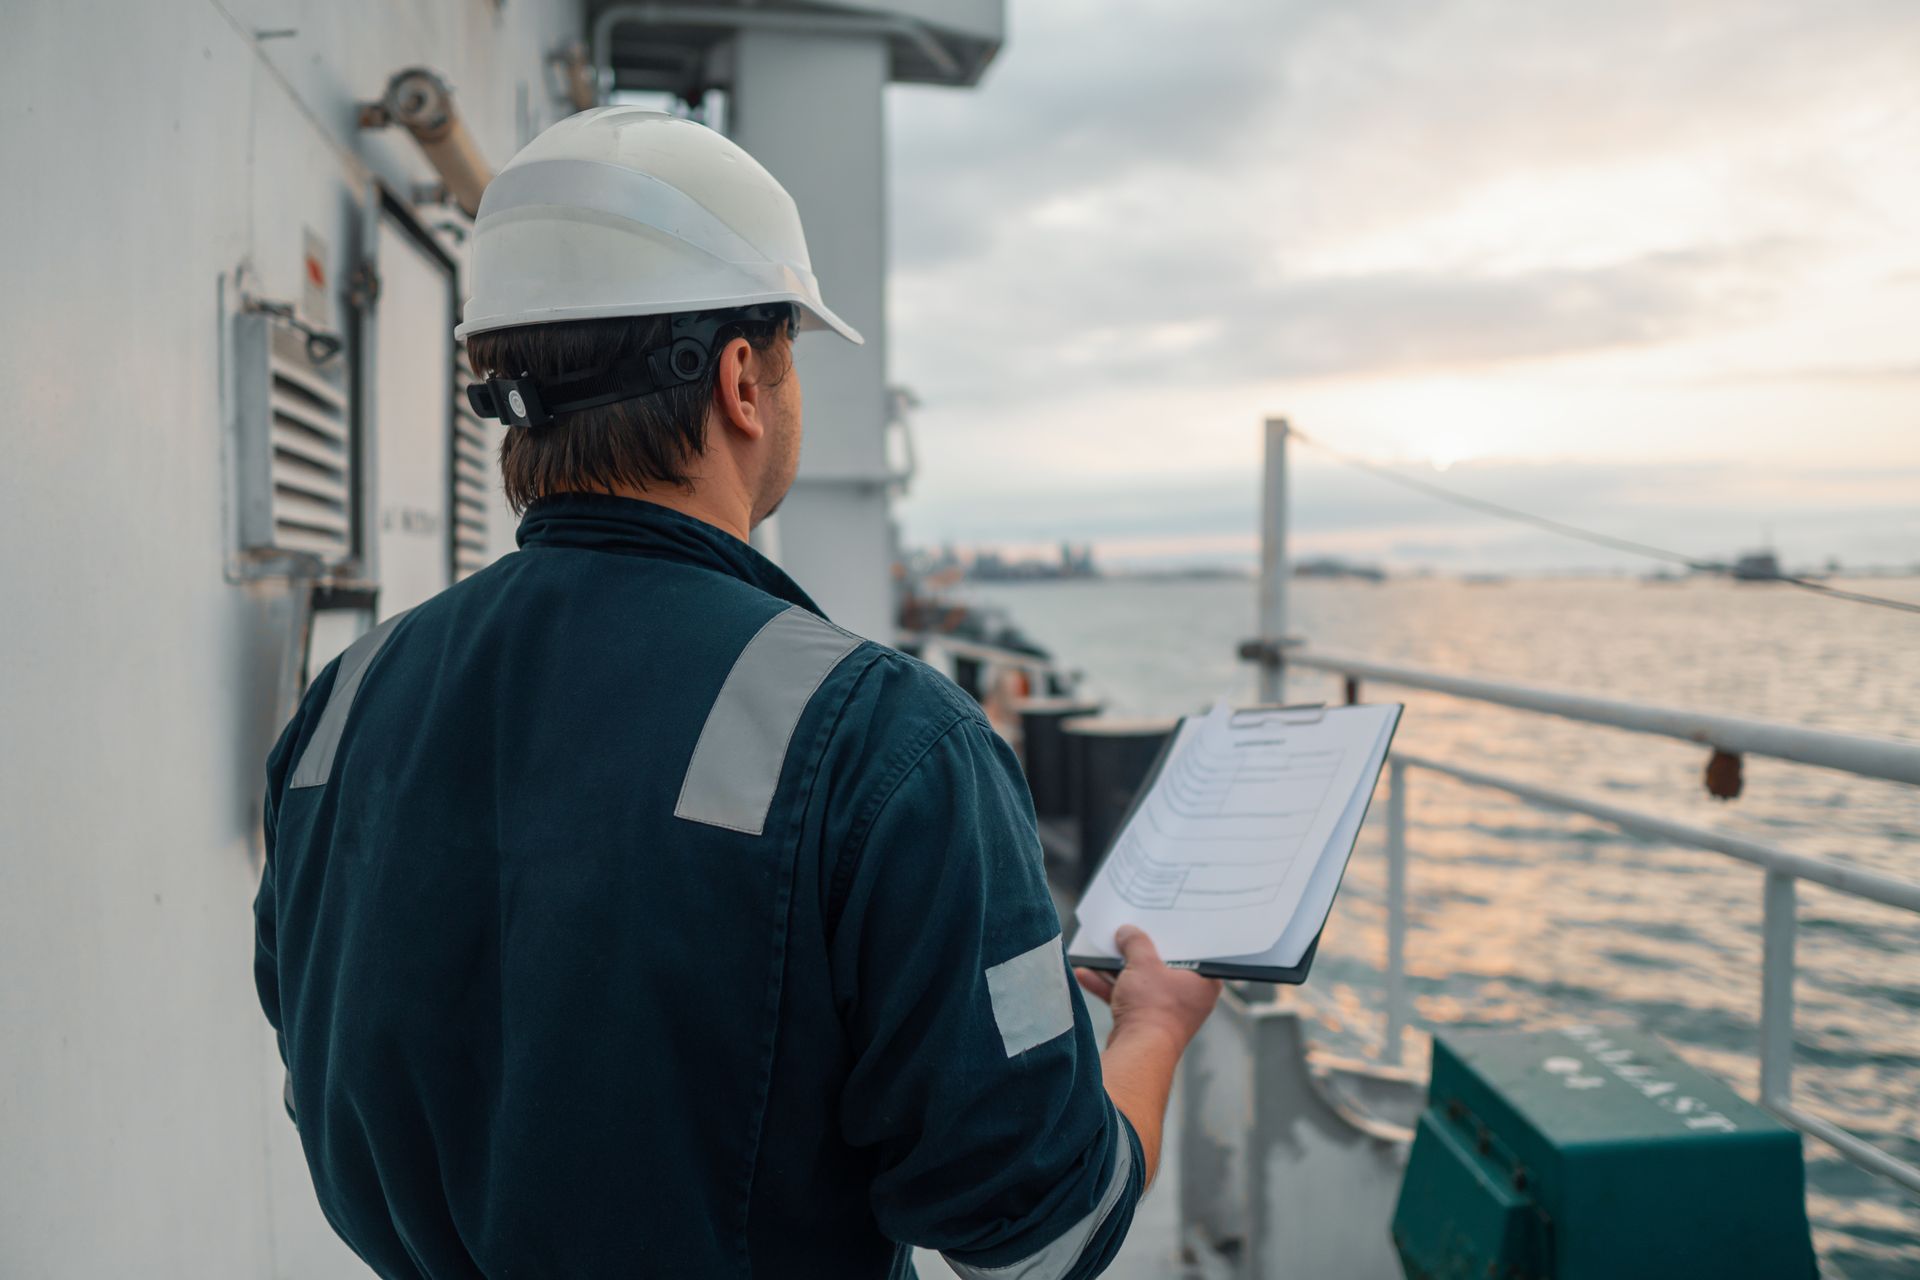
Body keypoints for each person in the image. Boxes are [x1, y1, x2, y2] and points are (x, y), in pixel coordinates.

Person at [253, 106, 1220, 1280]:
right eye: (793, 348)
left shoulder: (341, 706)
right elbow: (1043, 1232)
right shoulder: (890, 739)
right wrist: (1153, 1025)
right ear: (743, 379)